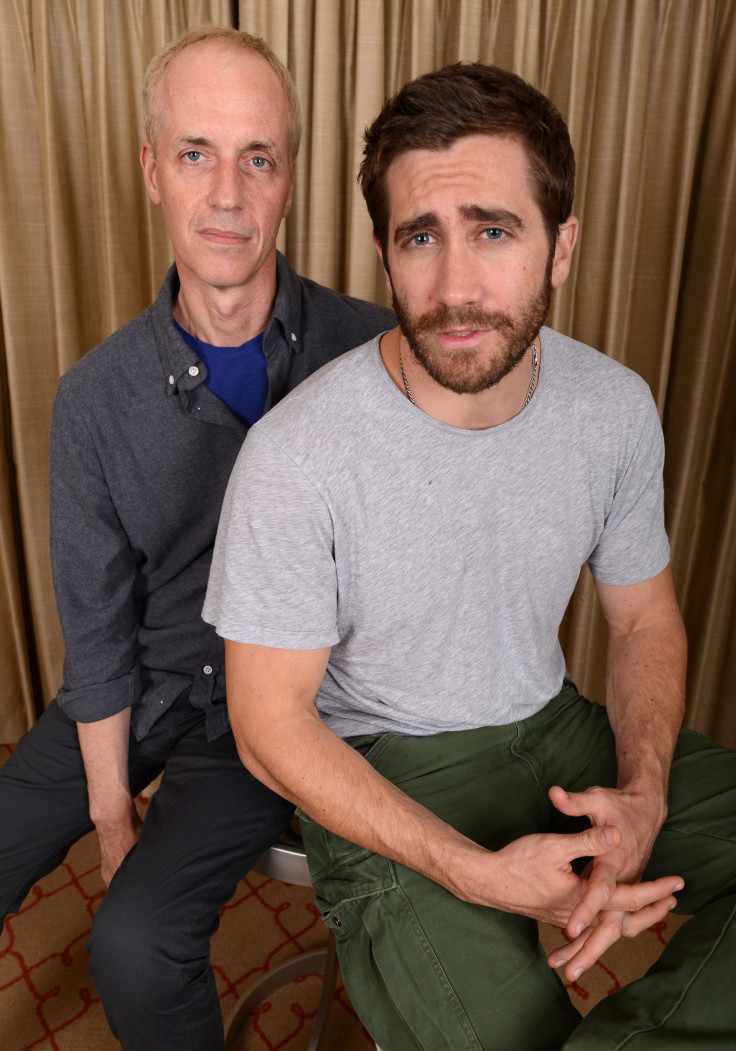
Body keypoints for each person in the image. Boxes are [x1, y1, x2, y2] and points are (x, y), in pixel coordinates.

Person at [204, 62, 736, 1049]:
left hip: (556, 729)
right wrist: (471, 870)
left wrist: (644, 792)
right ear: (383, 252)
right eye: (420, 238)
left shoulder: (614, 406)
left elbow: (641, 617)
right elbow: (267, 724)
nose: (454, 288)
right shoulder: (297, 456)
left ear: (560, 245)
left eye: (492, 230)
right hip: (386, 771)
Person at [0, 25, 394, 1051]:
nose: (226, 192)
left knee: (129, 944)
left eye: (256, 157)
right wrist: (112, 815)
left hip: (283, 701)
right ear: (152, 174)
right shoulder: (92, 397)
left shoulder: (370, 354)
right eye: (195, 153)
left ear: (289, 182)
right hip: (147, 677)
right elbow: (96, 632)